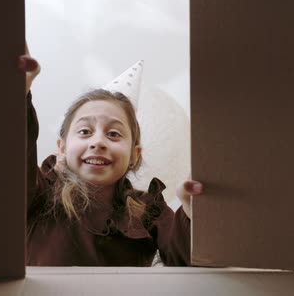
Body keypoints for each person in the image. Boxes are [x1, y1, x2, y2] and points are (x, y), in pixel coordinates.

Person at [18, 50, 204, 266]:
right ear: (62, 148)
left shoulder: (149, 211)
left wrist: (192, 210)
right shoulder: (41, 194)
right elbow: (15, 158)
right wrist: (20, 91)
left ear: (134, 156)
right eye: (85, 132)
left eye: (114, 134)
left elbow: (184, 258)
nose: (98, 142)